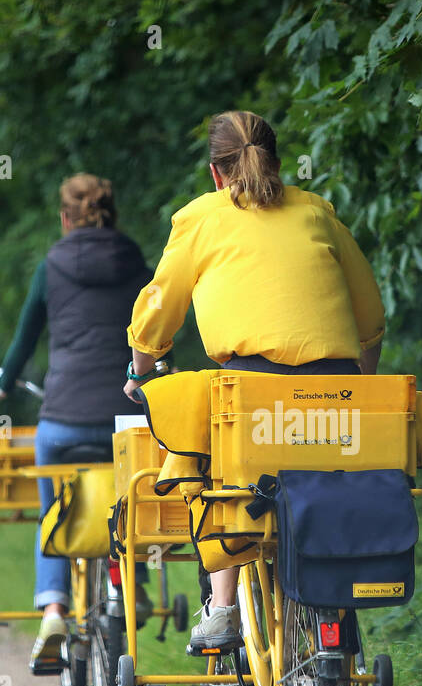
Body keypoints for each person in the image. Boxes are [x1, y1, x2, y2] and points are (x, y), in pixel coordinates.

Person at [123, 110, 384, 652]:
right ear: (277, 162)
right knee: (328, 485)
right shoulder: (318, 213)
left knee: (210, 472)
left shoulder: (201, 218)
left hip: (249, 392)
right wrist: (363, 376)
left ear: (216, 174)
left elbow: (158, 307)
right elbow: (369, 313)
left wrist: (139, 367)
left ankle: (222, 608)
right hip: (334, 393)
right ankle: (334, 613)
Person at [0, 173, 153, 674]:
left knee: (52, 512)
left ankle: (54, 609)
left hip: (64, 423)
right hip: (125, 420)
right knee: (133, 508)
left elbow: (23, 342)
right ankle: (132, 588)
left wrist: (2, 381)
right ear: (112, 214)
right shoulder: (135, 264)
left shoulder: (50, 266)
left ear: (64, 218)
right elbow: (154, 334)